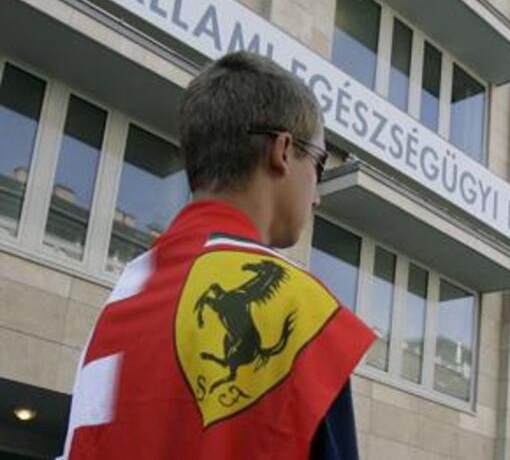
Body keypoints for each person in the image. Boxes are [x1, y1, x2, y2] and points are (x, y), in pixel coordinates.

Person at [60, 52, 374, 460]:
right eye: (318, 164)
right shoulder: (305, 311)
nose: (316, 197)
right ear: (282, 150)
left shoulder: (118, 307)